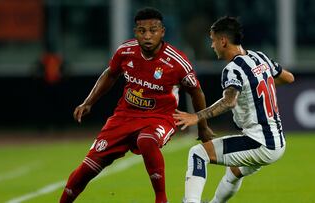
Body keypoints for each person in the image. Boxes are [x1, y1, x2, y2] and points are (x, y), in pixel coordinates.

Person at [60, 7, 213, 203]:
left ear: (162, 32)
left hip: (160, 117)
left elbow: (196, 91)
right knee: (87, 169)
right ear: (136, 32)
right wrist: (88, 102)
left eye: (153, 30)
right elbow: (110, 74)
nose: (148, 36)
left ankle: (161, 199)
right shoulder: (125, 51)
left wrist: (203, 126)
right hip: (124, 116)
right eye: (142, 31)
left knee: (146, 140)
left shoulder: (177, 62)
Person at [173, 16, 295, 203]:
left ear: (223, 41)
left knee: (198, 153)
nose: (212, 45)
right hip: (277, 142)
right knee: (234, 172)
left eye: (213, 40)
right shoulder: (259, 57)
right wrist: (259, 84)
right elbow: (288, 78)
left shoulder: (232, 69)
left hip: (260, 142)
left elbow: (229, 102)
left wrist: (197, 116)